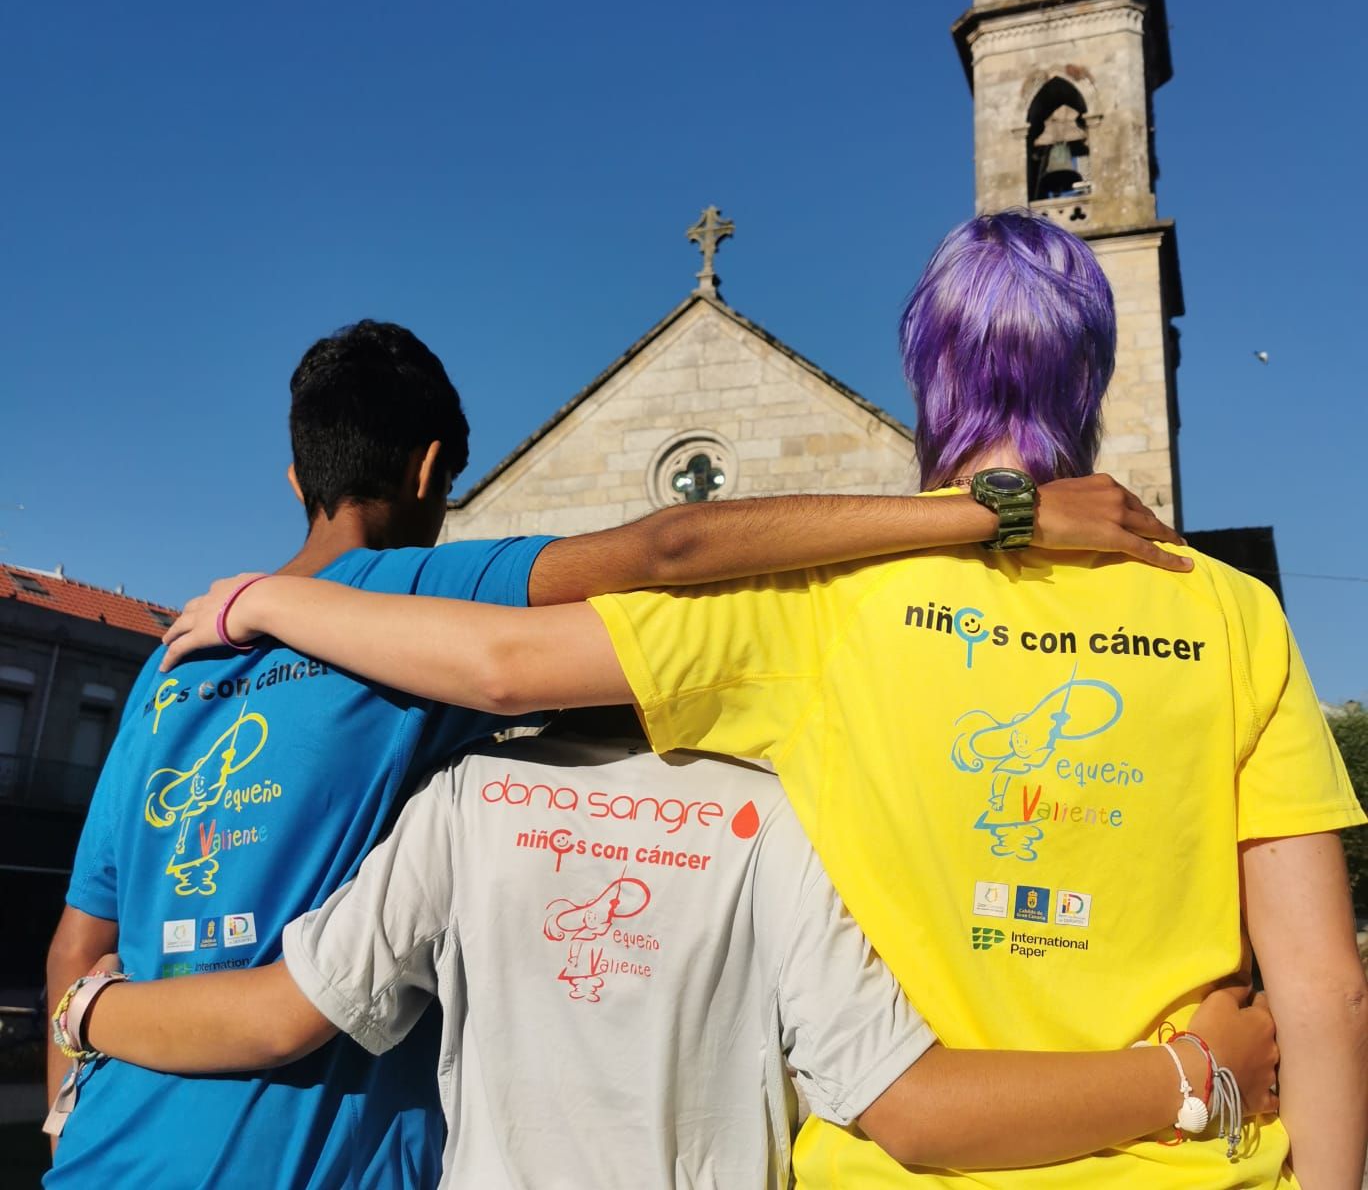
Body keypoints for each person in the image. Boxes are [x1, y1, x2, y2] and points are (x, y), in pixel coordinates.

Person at [165, 213, 1367, 1189]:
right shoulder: (1229, 611)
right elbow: (1324, 990)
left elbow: (502, 667)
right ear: (1093, 375)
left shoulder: (824, 601)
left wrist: (267, 601)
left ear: (927, 375)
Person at [47, 317, 1186, 1188]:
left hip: (103, 1145)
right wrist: (994, 513)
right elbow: (670, 544)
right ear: (434, 471)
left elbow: (76, 946)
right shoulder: (407, 597)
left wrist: (70, 1080)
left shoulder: (175, 662)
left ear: (295, 476)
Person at [67, 709, 1278, 1189]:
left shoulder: (469, 795)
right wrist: (1183, 1078)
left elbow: (280, 1015)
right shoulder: (776, 813)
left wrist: (87, 1010)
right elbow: (903, 1105)